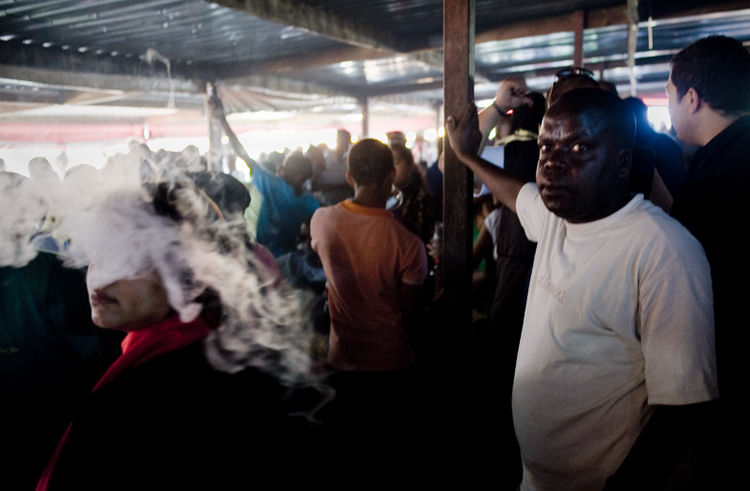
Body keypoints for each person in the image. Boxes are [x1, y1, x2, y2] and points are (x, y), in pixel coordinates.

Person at [446, 86, 717, 491]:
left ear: (622, 162)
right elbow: (516, 195)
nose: (552, 164)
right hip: (538, 478)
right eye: (545, 148)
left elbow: (681, 408)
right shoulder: (561, 216)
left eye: (578, 148)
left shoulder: (663, 252)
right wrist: (467, 155)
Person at [37, 179, 319, 490]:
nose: (100, 274)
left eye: (127, 256)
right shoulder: (217, 347)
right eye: (97, 252)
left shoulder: (144, 400)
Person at [310, 138, 428, 485]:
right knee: (388, 460)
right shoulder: (408, 244)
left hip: (342, 361)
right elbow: (411, 316)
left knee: (348, 459)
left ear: (349, 176)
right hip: (391, 366)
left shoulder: (322, 221)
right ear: (391, 175)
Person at [666, 35, 750, 487]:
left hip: (728, 369)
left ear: (691, 98)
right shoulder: (724, 156)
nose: (671, 105)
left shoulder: (725, 168)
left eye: (669, 94)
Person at [209, 96, 319, 256]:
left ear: (298, 177)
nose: (281, 167)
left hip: (263, 256)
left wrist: (222, 119)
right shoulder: (311, 203)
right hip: (292, 260)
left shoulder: (271, 183)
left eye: (286, 167)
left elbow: (242, 153)